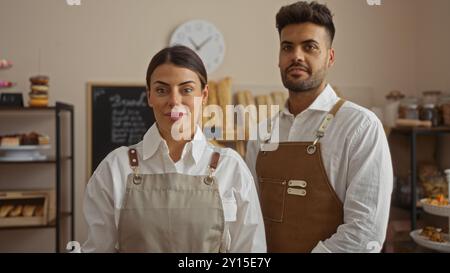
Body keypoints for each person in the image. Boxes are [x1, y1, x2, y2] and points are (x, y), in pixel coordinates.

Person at [82, 45, 266, 252]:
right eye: (162, 90)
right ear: (149, 96)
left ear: (204, 95)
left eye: (186, 90)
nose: (174, 101)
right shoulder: (115, 168)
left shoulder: (231, 168)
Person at [245, 1, 393, 253]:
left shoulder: (361, 127)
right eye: (287, 47)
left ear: (330, 57)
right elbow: (249, 221)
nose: (297, 56)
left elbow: (365, 233)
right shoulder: (261, 134)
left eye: (310, 47)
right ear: (279, 59)